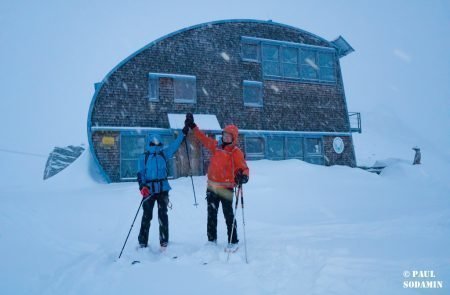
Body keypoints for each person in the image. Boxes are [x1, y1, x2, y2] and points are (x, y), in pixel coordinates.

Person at [185, 113, 249, 252]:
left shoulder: (235, 152)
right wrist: (193, 126)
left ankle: (233, 240)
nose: (225, 137)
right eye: (224, 134)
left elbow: (244, 168)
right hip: (212, 187)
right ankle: (211, 240)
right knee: (211, 215)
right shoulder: (216, 146)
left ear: (233, 138)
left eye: (228, 136)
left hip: (226, 188)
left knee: (228, 215)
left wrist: (243, 176)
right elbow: (202, 138)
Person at [136, 125, 188, 251]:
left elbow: (175, 145)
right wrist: (142, 186)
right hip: (148, 189)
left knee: (163, 215)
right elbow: (140, 173)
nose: (156, 144)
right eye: (153, 142)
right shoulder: (144, 157)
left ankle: (164, 241)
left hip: (163, 189)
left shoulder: (164, 154)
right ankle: (143, 241)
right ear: (149, 143)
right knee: (147, 216)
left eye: (158, 142)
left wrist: (183, 133)